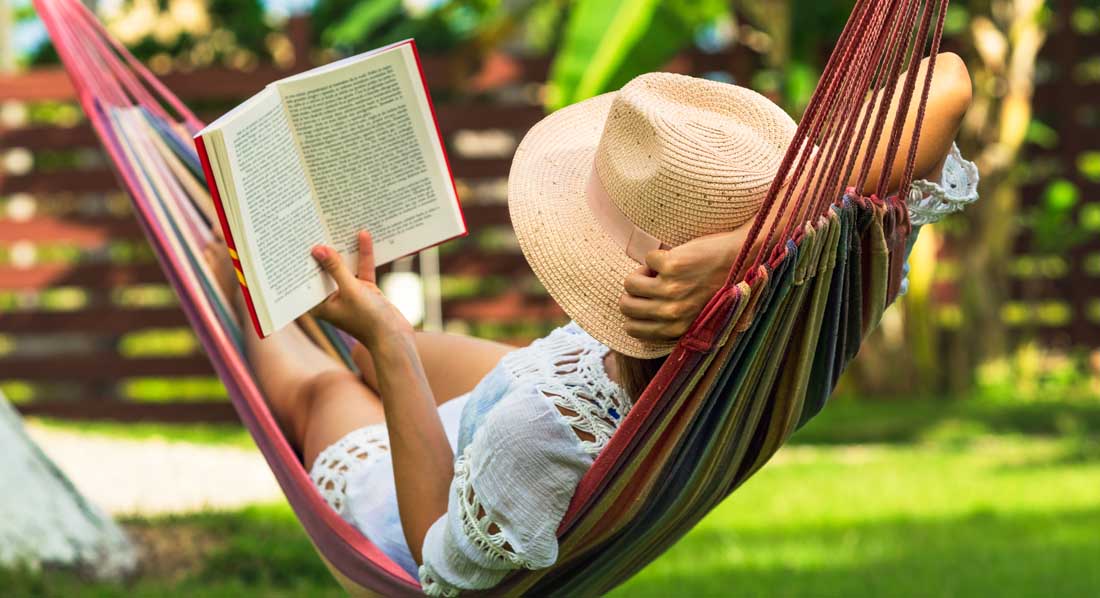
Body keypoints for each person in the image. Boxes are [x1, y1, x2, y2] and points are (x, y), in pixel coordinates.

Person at [204, 53, 977, 596]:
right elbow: (948, 79)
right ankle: (337, 314)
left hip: (433, 489)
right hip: (562, 376)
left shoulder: (538, 437)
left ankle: (231, 276)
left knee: (329, 387)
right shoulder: (813, 290)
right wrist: (751, 244)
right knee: (367, 350)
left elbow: (442, 568)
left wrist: (389, 343)